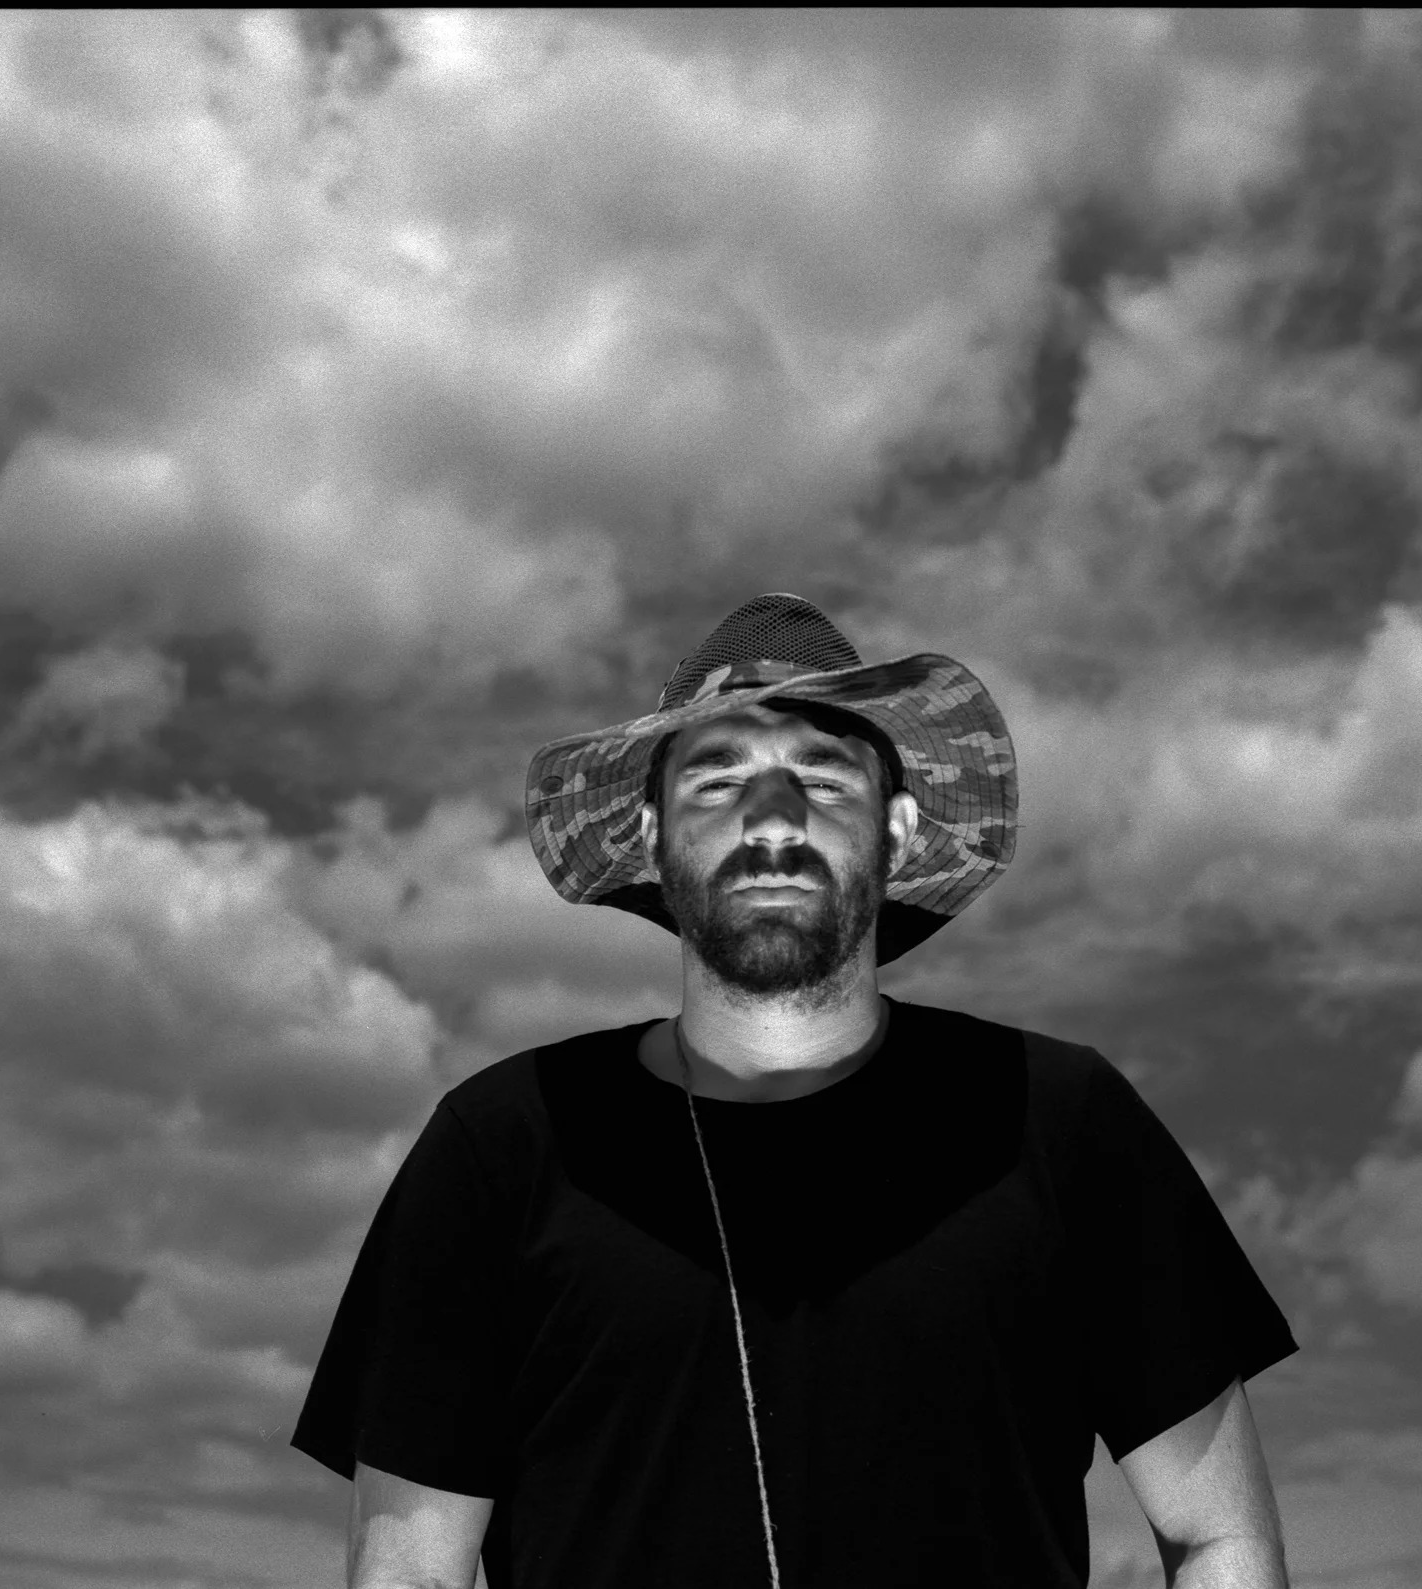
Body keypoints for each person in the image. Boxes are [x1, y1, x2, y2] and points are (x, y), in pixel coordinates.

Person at [293, 593, 1297, 1588]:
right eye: (717, 779)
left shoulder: (1058, 1117)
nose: (770, 823)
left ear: (898, 830)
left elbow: (1218, 1536)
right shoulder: (502, 1143)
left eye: (820, 779)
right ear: (647, 834)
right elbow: (410, 1567)